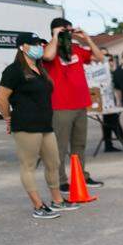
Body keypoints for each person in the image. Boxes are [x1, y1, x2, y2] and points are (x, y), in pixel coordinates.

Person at [0, 34, 81, 219]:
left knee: (53, 163)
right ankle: (38, 206)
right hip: (25, 124)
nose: (39, 47)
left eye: (40, 44)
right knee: (29, 166)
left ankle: (57, 201)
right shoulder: (14, 70)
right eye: (33, 44)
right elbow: (0, 99)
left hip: (45, 124)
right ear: (22, 47)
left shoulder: (40, 69)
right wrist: (8, 118)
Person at [43, 16, 104, 192]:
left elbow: (100, 58)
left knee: (79, 144)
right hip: (61, 106)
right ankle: (61, 180)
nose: (68, 34)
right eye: (65, 31)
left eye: (69, 31)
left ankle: (81, 176)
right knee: (60, 146)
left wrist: (87, 39)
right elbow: (48, 56)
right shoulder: (47, 48)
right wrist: (55, 36)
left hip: (80, 104)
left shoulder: (77, 49)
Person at [100, 50, 123, 153]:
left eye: (110, 59)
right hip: (104, 100)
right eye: (106, 58)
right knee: (113, 121)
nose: (109, 61)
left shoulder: (114, 72)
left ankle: (108, 145)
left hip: (112, 99)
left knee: (108, 122)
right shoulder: (100, 72)